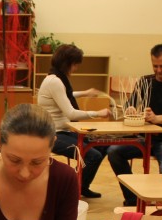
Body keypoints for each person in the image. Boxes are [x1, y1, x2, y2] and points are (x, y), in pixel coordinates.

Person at [107, 43, 162, 206]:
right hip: (142, 138)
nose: (158, 70)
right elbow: (130, 104)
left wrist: (157, 118)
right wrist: (130, 109)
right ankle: (133, 199)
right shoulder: (145, 81)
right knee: (113, 152)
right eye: (155, 66)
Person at [38, 44, 110, 199]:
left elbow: (65, 95)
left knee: (101, 145)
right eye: (76, 64)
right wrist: (98, 113)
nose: (76, 68)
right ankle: (72, 189)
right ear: (68, 63)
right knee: (93, 155)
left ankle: (81, 186)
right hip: (52, 135)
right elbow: (70, 112)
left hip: (63, 131)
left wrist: (85, 93)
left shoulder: (55, 78)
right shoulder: (55, 82)